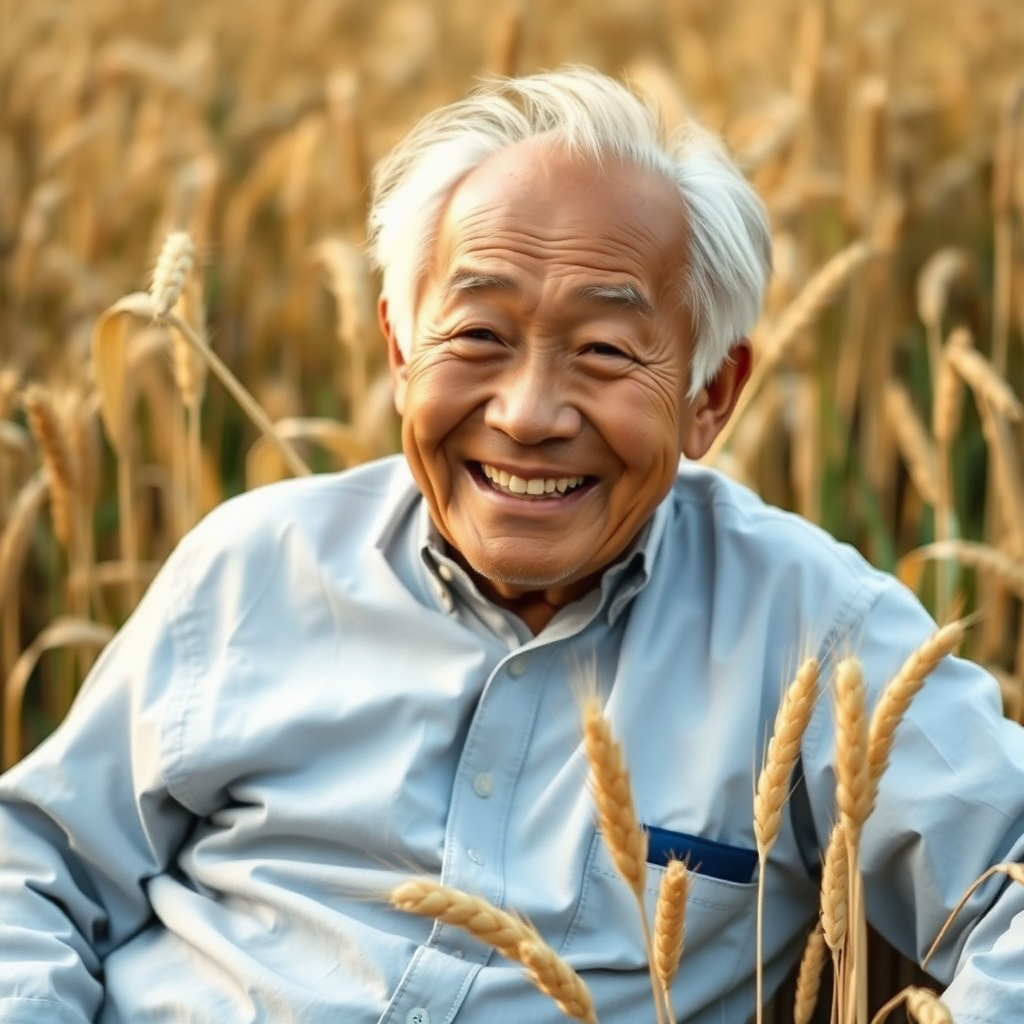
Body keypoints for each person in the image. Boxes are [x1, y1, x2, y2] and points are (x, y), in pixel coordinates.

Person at [1, 66, 1022, 1024]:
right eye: (477, 335)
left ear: (711, 395)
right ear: (401, 351)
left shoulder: (809, 627)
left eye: (605, 351)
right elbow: (34, 858)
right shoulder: (251, 565)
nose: (529, 413)